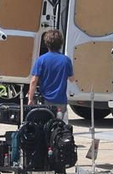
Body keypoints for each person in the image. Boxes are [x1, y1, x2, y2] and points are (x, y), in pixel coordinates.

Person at [13, 29, 74, 166]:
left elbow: (34, 80)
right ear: (61, 44)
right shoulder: (66, 60)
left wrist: (30, 97)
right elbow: (72, 78)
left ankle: (44, 154)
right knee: (60, 129)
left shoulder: (41, 60)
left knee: (44, 128)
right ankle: (59, 155)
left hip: (46, 101)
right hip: (61, 101)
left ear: (46, 44)